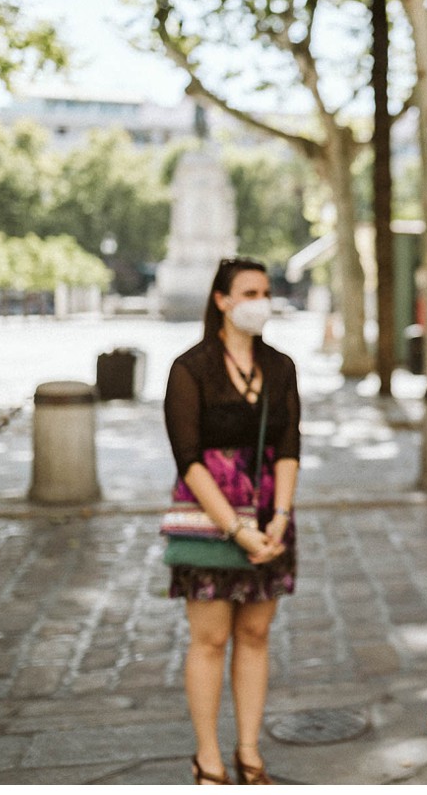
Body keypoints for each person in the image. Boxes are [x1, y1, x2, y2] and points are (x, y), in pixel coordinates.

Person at [164, 257, 301, 785]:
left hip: (271, 513)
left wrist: (279, 518)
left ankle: (249, 752)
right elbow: (188, 458)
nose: (260, 301)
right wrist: (235, 528)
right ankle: (208, 758)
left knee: (256, 633)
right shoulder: (190, 367)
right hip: (210, 515)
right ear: (221, 300)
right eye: (249, 292)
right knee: (211, 638)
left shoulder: (282, 366)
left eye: (265, 292)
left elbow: (289, 446)